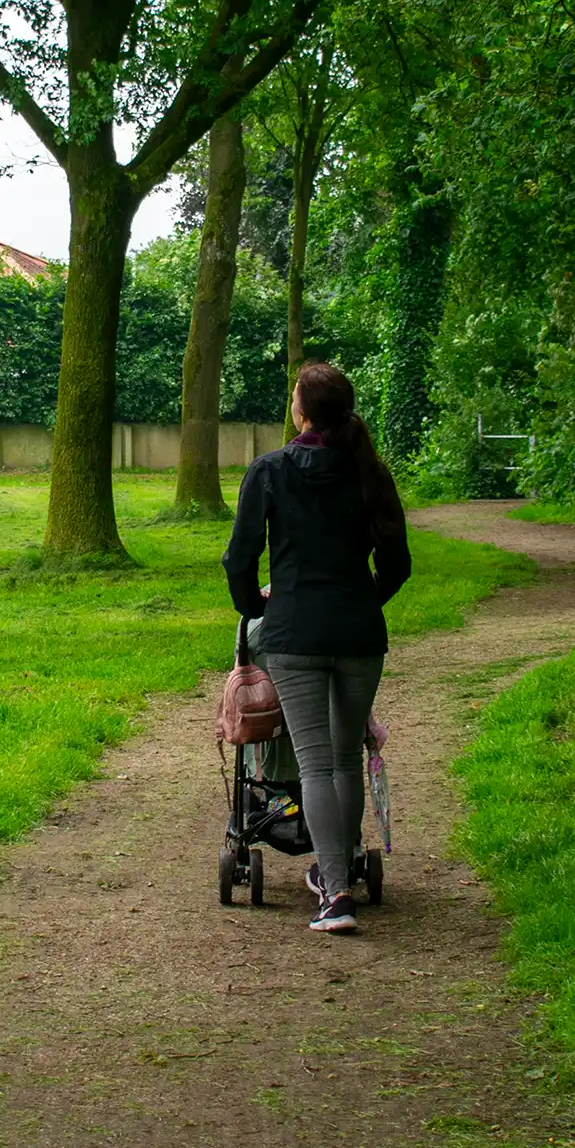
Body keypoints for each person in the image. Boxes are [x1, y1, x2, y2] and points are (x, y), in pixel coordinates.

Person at [223, 361, 411, 933]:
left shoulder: (269, 471)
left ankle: (334, 894)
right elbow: (397, 564)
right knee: (344, 761)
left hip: (295, 636)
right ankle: (342, 874)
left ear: (301, 411)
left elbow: (240, 558)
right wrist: (361, 602)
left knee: (314, 764)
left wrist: (260, 610)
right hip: (357, 634)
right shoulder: (370, 472)